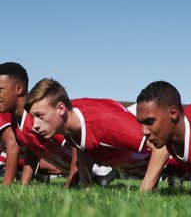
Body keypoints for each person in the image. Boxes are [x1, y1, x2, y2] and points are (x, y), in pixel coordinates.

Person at [24, 78, 169, 190]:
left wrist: (144, 192)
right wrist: (86, 188)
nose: (35, 125)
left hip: (175, 160)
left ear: (61, 108)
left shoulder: (105, 124)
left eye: (40, 116)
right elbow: (82, 147)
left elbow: (163, 148)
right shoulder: (70, 121)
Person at [0, 62, 116, 187]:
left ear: (19, 89)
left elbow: (76, 145)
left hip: (100, 168)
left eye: (0, 89)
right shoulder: (15, 120)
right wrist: (23, 185)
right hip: (81, 171)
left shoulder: (41, 115)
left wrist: (70, 184)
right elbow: (32, 150)